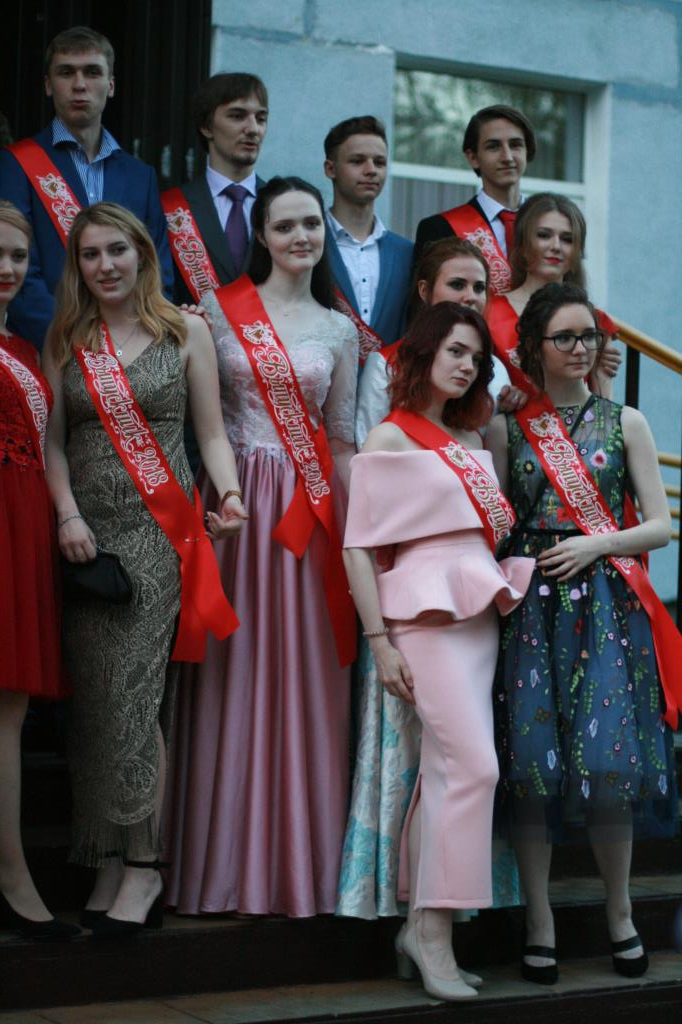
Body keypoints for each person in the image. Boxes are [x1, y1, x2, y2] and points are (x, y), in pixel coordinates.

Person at [43, 202, 245, 938]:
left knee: (133, 694)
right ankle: (106, 853)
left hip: (160, 537)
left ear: (142, 255)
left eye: (117, 251)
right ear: (78, 265)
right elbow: (52, 442)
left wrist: (229, 494)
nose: (106, 266)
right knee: (95, 702)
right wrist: (66, 514)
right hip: (85, 543)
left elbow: (211, 433)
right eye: (91, 254)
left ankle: (144, 865)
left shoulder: (186, 331)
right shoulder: (67, 338)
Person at [163, 176, 358, 918]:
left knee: (306, 675)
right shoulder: (215, 311)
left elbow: (341, 437)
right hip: (236, 504)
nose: (301, 236)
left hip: (309, 514)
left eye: (312, 224)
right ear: (263, 236)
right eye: (285, 225)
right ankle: (216, 867)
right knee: (230, 669)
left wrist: (360, 530)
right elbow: (199, 416)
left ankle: (296, 870)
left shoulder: (339, 330)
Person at [486, 282, 679, 986]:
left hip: (604, 608)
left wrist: (598, 544)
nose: (580, 349)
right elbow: (492, 522)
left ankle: (620, 913)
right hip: (531, 612)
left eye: (589, 336)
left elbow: (659, 525)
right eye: (564, 337)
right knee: (532, 769)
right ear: (534, 347)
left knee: (608, 766)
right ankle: (539, 921)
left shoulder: (625, 421)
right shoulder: (508, 428)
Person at [342, 302, 534, 998]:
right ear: (423, 353)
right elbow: (358, 548)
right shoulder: (389, 438)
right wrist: (379, 642)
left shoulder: (472, 436)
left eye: (476, 357)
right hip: (422, 615)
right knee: (474, 767)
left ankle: (419, 929)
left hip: (477, 613)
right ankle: (432, 933)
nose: (467, 365)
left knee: (447, 774)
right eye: (455, 350)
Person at [0, 201, 79, 942]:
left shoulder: (24, 349)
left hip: (21, 531)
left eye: (18, 257)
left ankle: (11, 871)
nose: (7, 268)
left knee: (11, 708)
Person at [0, 26, 173, 350]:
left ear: (111, 85)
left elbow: (157, 271)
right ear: (49, 85)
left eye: (92, 72)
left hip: (131, 355)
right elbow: (19, 273)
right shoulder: (15, 164)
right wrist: (77, 347)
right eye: (66, 73)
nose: (79, 85)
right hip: (52, 350)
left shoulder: (141, 176)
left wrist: (134, 346)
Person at [355, 236, 523, 450]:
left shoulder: (495, 368)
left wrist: (518, 407)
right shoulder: (386, 363)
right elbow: (368, 449)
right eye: (457, 284)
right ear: (424, 290)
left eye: (479, 287)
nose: (470, 296)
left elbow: (494, 454)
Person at [485, 193, 621, 395]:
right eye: (544, 235)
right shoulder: (489, 313)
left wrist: (602, 376)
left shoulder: (595, 320)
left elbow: (603, 405)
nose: (556, 246)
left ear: (577, 252)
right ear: (522, 245)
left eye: (567, 239)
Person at [163, 73, 269, 306]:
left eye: (261, 118)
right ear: (206, 126)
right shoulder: (170, 208)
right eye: (237, 116)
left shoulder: (282, 203)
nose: (253, 129)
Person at [414, 105, 536, 293]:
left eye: (515, 145)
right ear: (473, 157)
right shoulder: (440, 229)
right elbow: (425, 305)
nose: (507, 157)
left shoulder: (551, 226)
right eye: (494, 146)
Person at [323, 115, 413, 355]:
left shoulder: (407, 253)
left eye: (379, 162)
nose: (371, 170)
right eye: (357, 161)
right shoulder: (308, 243)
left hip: (388, 378)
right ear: (330, 169)